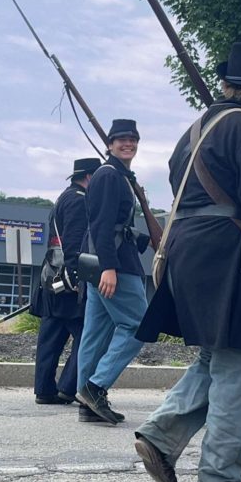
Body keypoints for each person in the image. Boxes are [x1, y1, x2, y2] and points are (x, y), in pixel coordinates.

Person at [134, 42, 241, 482]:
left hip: (190, 254)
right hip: (231, 259)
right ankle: (222, 481)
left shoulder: (195, 130)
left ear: (227, 83)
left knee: (217, 357)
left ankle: (161, 436)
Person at [76, 119, 150, 425]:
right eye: (121, 139)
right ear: (109, 144)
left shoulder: (116, 175)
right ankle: (95, 387)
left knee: (95, 334)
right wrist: (109, 267)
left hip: (107, 263)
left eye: (132, 139)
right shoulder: (110, 176)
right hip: (114, 265)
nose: (127, 144)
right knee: (140, 325)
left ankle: (86, 402)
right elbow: (102, 225)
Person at [34, 157, 101, 405]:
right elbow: (74, 243)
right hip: (69, 280)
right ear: (89, 178)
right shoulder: (78, 201)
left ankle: (44, 389)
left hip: (52, 276)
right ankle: (68, 387)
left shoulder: (65, 197)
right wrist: (79, 279)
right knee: (86, 336)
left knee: (51, 336)